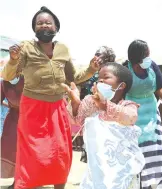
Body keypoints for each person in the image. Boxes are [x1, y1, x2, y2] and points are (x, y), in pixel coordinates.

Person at [2, 6, 100, 189]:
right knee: (32, 155)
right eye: (39, 23)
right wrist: (14, 59)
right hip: (33, 109)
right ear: (34, 28)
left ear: (56, 28)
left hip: (57, 108)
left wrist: (91, 69)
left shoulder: (63, 49)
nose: (44, 26)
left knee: (60, 153)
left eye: (48, 23)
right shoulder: (25, 48)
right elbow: (7, 76)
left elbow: (74, 76)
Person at [63, 62, 144, 189]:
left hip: (122, 169)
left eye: (105, 77)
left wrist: (105, 106)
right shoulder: (91, 102)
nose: (100, 81)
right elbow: (77, 120)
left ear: (121, 85)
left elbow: (130, 117)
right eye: (98, 78)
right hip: (98, 169)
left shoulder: (127, 105)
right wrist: (75, 102)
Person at [123, 40, 162, 189]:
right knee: (137, 149)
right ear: (137, 57)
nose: (148, 58)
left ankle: (155, 182)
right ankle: (140, 183)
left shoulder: (152, 67)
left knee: (155, 149)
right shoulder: (125, 70)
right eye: (146, 55)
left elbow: (159, 90)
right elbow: (119, 94)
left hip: (151, 115)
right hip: (132, 115)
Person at [74, 46, 116, 162]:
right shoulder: (91, 73)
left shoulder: (115, 75)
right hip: (91, 117)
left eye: (100, 55)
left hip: (108, 116)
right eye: (96, 54)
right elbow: (78, 81)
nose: (97, 57)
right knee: (92, 151)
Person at [0, 75, 24, 189]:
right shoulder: (4, 82)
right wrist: (10, 105)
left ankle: (25, 180)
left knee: (26, 150)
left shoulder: (28, 79)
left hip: (30, 118)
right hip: (13, 120)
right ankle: (17, 180)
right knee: (12, 149)